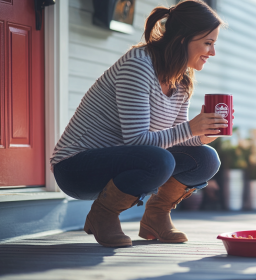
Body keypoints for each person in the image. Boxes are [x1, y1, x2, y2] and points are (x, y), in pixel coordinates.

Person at [51, 0, 228, 248]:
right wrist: (191, 128)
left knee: (207, 158)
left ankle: (156, 216)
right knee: (160, 160)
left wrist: (202, 135)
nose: (212, 52)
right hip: (76, 167)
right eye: (207, 43)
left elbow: (176, 137)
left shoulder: (182, 78)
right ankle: (103, 214)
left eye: (214, 44)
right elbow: (137, 141)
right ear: (181, 39)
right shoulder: (138, 64)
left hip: (127, 160)